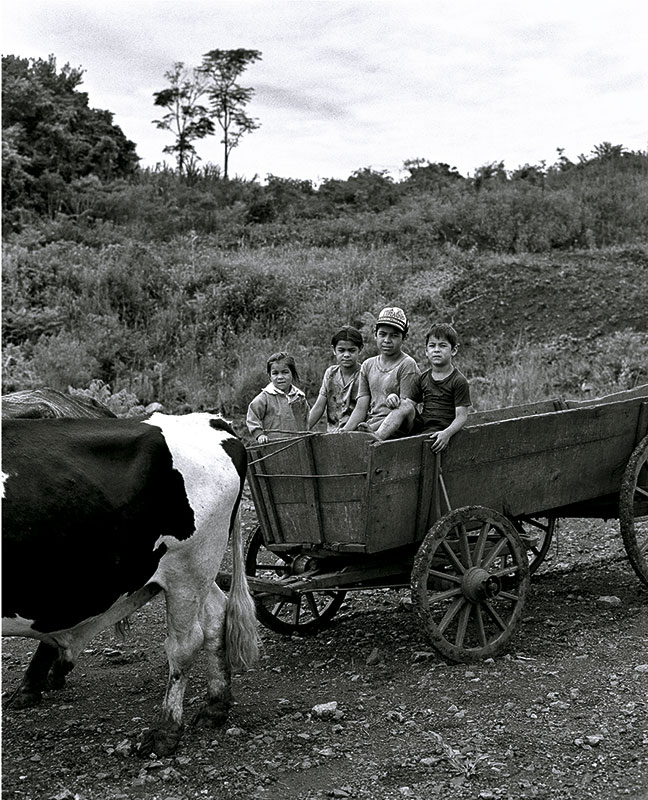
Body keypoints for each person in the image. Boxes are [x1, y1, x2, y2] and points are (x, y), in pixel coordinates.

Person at [342, 307, 420, 440]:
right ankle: (368, 434)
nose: (387, 340)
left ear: (404, 338)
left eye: (394, 335)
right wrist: (343, 432)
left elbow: (406, 409)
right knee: (347, 433)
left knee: (404, 405)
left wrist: (372, 429)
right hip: (372, 424)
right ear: (375, 334)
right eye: (383, 334)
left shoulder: (407, 365)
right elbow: (361, 408)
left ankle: (376, 436)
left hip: (401, 426)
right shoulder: (368, 365)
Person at [415, 322, 472, 452]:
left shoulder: (458, 381)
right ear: (426, 351)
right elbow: (409, 404)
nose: (436, 350)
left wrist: (447, 433)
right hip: (423, 431)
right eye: (432, 346)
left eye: (442, 346)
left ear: (454, 350)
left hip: (443, 433)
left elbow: (462, 416)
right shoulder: (423, 378)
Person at [308, 326, 363, 432]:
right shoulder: (330, 374)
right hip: (332, 434)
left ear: (360, 349)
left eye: (351, 351)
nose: (346, 355)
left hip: (357, 434)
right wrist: (303, 429)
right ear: (334, 350)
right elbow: (319, 407)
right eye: (341, 350)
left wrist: (346, 430)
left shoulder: (364, 374)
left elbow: (362, 409)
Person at [246, 352, 310, 444]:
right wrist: (259, 435)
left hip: (297, 444)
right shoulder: (265, 397)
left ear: (292, 374)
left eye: (285, 372)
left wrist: (306, 435)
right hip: (273, 446)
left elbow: (306, 420)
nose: (280, 377)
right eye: (275, 373)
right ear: (269, 377)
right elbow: (252, 416)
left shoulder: (299, 397)